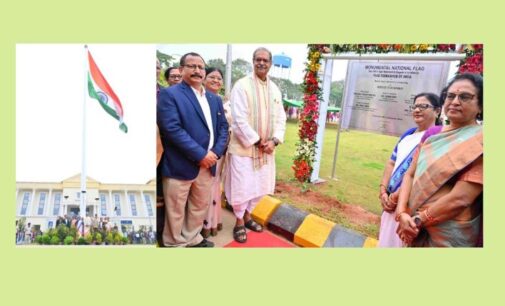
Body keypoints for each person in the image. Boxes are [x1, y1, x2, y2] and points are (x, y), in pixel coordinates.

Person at [396, 73, 483, 247]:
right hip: (412, 226)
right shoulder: (432, 137)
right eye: (450, 96)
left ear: (481, 106)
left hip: (449, 234)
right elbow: (410, 175)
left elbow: (461, 198)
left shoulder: (481, 140)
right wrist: (401, 213)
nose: (455, 101)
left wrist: (417, 221)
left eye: (464, 97)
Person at [157, 52, 229, 247]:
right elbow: (171, 129)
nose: (198, 70)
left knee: (198, 206)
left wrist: (215, 153)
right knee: (176, 209)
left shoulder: (214, 99)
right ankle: (174, 243)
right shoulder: (170, 94)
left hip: (208, 164)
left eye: (201, 67)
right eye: (192, 66)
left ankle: (192, 238)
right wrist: (201, 154)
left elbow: (223, 128)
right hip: (180, 164)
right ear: (181, 70)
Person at [225, 47, 286, 243]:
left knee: (259, 187)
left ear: (270, 64)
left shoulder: (275, 89)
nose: (261, 63)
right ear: (253, 61)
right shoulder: (241, 85)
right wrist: (259, 142)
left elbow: (281, 118)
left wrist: (274, 141)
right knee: (242, 187)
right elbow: (239, 119)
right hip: (245, 149)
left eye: (265, 60)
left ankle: (248, 215)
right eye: (258, 59)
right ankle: (239, 221)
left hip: (267, 150)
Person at [378, 93, 441, 247]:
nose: (417, 110)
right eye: (415, 106)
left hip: (409, 209)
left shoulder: (438, 137)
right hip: (390, 204)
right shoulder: (408, 134)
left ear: (437, 111)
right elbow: (391, 163)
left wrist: (395, 198)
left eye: (423, 106)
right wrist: (383, 191)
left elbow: (424, 176)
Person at [201, 67, 232, 238]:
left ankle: (214, 220)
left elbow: (225, 127)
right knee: (204, 185)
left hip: (220, 151)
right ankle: (202, 223)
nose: (216, 81)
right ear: (204, 79)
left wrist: (219, 150)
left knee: (215, 184)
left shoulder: (223, 102)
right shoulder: (198, 98)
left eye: (219, 78)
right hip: (203, 152)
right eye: (212, 77)